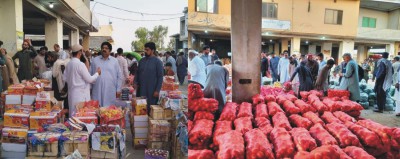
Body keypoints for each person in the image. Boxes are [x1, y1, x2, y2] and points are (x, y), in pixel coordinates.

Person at [63, 44, 100, 115]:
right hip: (80, 95)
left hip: (72, 94)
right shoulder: (80, 64)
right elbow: (90, 79)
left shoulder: (69, 64)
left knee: (73, 116)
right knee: (81, 116)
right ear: (80, 52)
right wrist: (97, 73)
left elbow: (64, 78)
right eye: (82, 52)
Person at [90, 42, 123, 107]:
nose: (104, 49)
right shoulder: (95, 60)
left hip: (110, 89)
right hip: (97, 89)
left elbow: (119, 76)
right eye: (103, 48)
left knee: (109, 110)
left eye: (106, 48)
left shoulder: (114, 61)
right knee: (97, 109)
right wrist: (90, 88)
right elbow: (90, 74)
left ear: (110, 51)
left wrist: (118, 89)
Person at [134, 42, 164, 113]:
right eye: (145, 49)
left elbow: (160, 77)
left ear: (152, 50)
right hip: (141, 90)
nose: (145, 51)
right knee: (141, 109)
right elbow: (137, 73)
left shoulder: (158, 62)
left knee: (150, 109)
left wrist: (157, 90)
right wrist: (135, 82)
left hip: (152, 90)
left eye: (147, 50)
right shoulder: (141, 61)